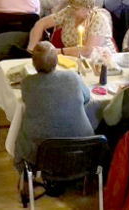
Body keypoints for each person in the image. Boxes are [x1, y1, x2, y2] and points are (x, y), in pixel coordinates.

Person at [13, 42, 93, 173]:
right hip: (81, 149)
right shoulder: (73, 77)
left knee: (21, 138)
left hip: (41, 154)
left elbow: (29, 101)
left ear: (34, 63)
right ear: (56, 61)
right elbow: (87, 98)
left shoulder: (27, 82)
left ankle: (27, 178)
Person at [27, 0, 116, 56]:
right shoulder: (70, 11)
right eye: (73, 7)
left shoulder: (98, 20)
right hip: (71, 58)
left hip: (99, 60)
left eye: (76, 8)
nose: (72, 10)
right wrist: (31, 49)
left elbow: (87, 51)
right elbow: (41, 24)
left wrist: (58, 52)